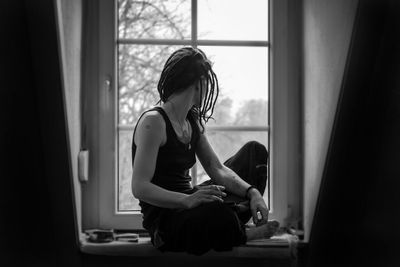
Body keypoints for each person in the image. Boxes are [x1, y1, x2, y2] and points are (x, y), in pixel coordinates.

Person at [131, 47, 279, 255]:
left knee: (254, 153)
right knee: (214, 211)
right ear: (200, 82)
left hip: (192, 203)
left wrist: (252, 192)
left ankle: (233, 217)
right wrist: (187, 200)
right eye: (208, 82)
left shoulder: (192, 121)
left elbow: (216, 168)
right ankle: (240, 231)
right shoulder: (154, 123)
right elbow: (139, 187)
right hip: (167, 220)